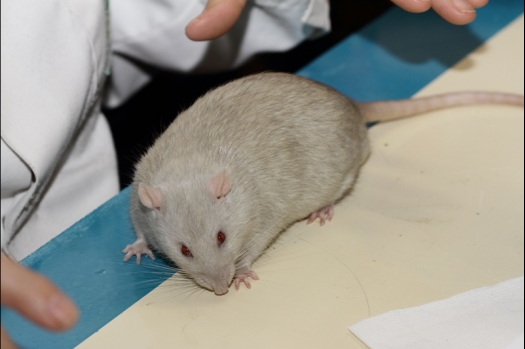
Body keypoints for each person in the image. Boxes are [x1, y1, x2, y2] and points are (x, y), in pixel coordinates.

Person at [0, 0, 488, 348]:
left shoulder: (230, 195)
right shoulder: (153, 194)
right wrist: (148, 239)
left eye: (216, 240)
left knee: (326, 170)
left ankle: (343, 173)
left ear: (224, 193)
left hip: (313, 123)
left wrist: (241, 254)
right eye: (186, 253)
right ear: (151, 204)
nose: (217, 281)